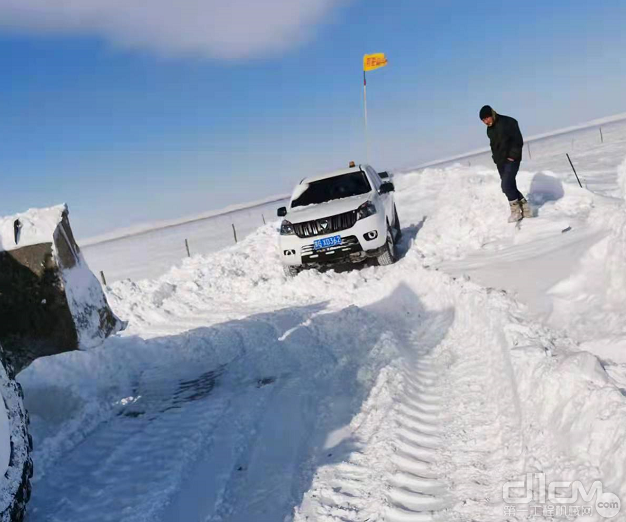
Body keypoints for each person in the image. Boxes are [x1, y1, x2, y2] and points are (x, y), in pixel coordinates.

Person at [479, 105, 532, 222]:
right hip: (500, 161)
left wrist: (512, 156)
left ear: (492, 114)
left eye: (487, 118)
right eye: (483, 120)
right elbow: (494, 145)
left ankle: (516, 212)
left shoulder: (508, 122)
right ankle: (525, 207)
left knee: (506, 185)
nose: (485, 122)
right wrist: (495, 158)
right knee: (509, 186)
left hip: (512, 159)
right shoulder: (490, 129)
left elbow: (518, 140)